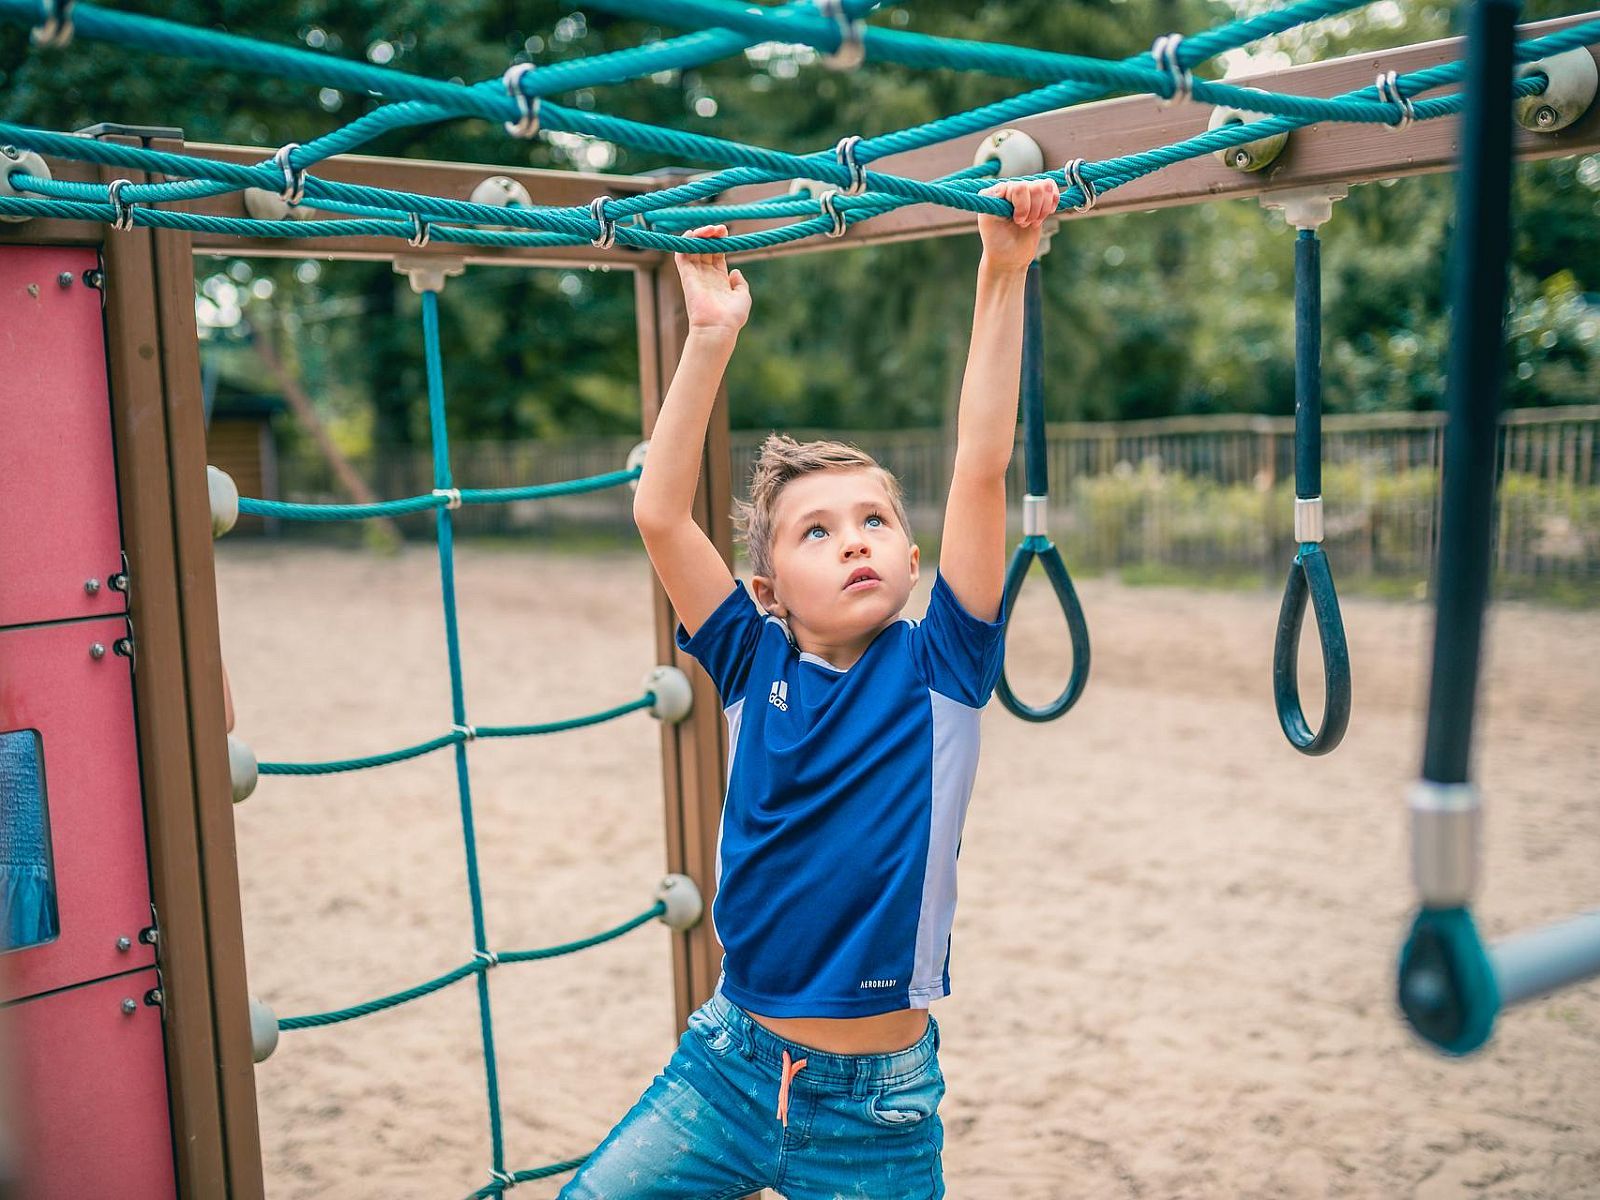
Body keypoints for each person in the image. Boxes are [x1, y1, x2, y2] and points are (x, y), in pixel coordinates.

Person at [560, 176, 1060, 1200]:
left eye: (873, 521)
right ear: (766, 587)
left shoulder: (943, 666)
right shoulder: (753, 662)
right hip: (727, 1067)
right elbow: (661, 513)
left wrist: (1000, 271)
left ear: (915, 559)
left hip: (876, 1106)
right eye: (817, 532)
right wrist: (709, 336)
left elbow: (978, 464)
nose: (854, 543)